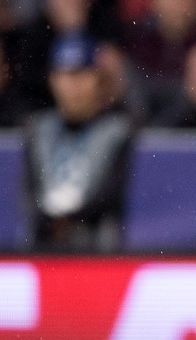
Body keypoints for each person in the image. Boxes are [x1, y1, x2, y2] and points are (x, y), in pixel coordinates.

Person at [21, 32, 136, 253]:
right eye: (63, 75)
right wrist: (49, 219)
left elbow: (113, 194)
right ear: (52, 79)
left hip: (99, 249)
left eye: (81, 75)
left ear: (98, 79)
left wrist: (70, 218)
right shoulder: (38, 129)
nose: (72, 85)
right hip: (44, 246)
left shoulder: (119, 130)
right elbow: (29, 192)